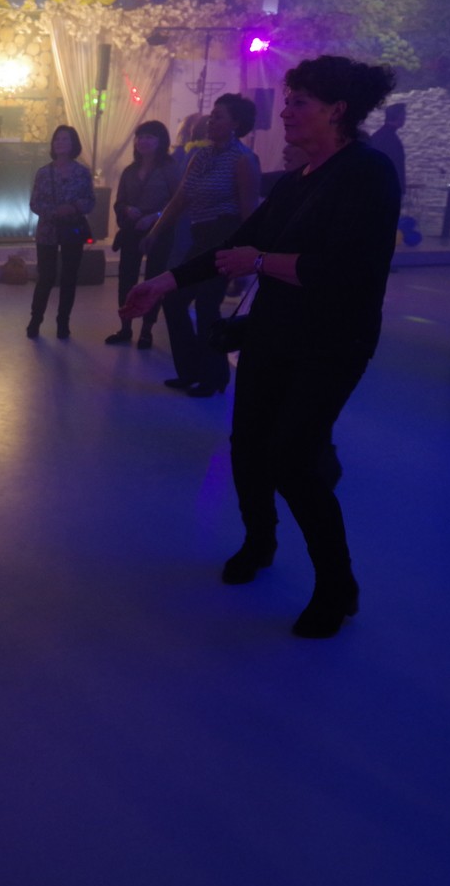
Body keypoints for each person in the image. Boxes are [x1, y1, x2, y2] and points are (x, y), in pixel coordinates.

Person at [123, 55, 401, 639]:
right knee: (247, 445)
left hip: (332, 341)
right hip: (274, 332)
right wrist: (163, 282)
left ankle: (337, 585)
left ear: (337, 110)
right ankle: (259, 541)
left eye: (299, 102)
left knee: (295, 460)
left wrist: (263, 263)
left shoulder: (367, 172)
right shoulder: (299, 180)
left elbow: (349, 271)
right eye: (289, 100)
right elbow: (236, 244)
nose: (287, 113)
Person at [138, 92, 261, 396]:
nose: (210, 121)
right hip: (201, 237)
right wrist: (155, 231)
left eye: (218, 116)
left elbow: (249, 213)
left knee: (207, 305)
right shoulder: (201, 156)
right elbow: (180, 199)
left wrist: (245, 260)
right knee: (174, 300)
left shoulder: (243, 159)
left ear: (235, 123)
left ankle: (212, 376)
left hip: (226, 235)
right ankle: (192, 370)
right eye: (212, 115)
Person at [107, 120, 184, 346]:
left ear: (161, 141)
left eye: (149, 137)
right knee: (126, 278)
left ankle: (147, 330)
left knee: (154, 277)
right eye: (140, 137)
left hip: (159, 232)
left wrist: (154, 217)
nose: (143, 141)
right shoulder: (129, 171)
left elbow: (178, 202)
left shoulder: (169, 168)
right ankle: (125, 327)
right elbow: (119, 202)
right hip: (132, 230)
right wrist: (126, 210)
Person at [26, 124, 96, 339]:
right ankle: (35, 320)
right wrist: (55, 211)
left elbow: (90, 201)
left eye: (65, 139)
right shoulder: (43, 173)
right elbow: (35, 203)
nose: (60, 143)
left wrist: (74, 208)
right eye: (57, 139)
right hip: (48, 230)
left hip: (72, 230)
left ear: (74, 144)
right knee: (45, 277)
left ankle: (63, 322)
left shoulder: (82, 172)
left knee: (69, 277)